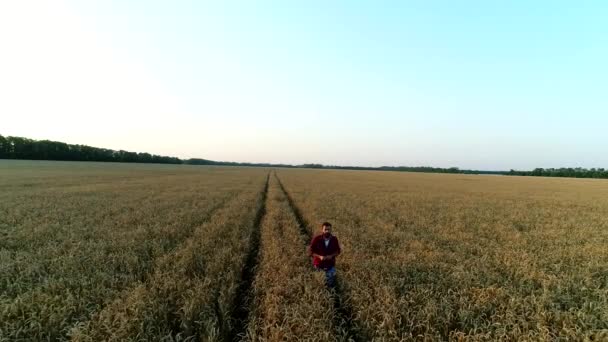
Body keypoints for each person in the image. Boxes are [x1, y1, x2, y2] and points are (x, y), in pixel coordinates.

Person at [309, 221, 341, 287]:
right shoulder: (317, 239)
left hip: (330, 265)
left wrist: (331, 256)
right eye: (325, 229)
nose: (327, 231)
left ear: (331, 230)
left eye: (328, 229)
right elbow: (311, 251)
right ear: (322, 230)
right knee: (319, 283)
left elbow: (338, 251)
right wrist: (319, 256)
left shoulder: (334, 239)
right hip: (318, 264)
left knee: (330, 283)